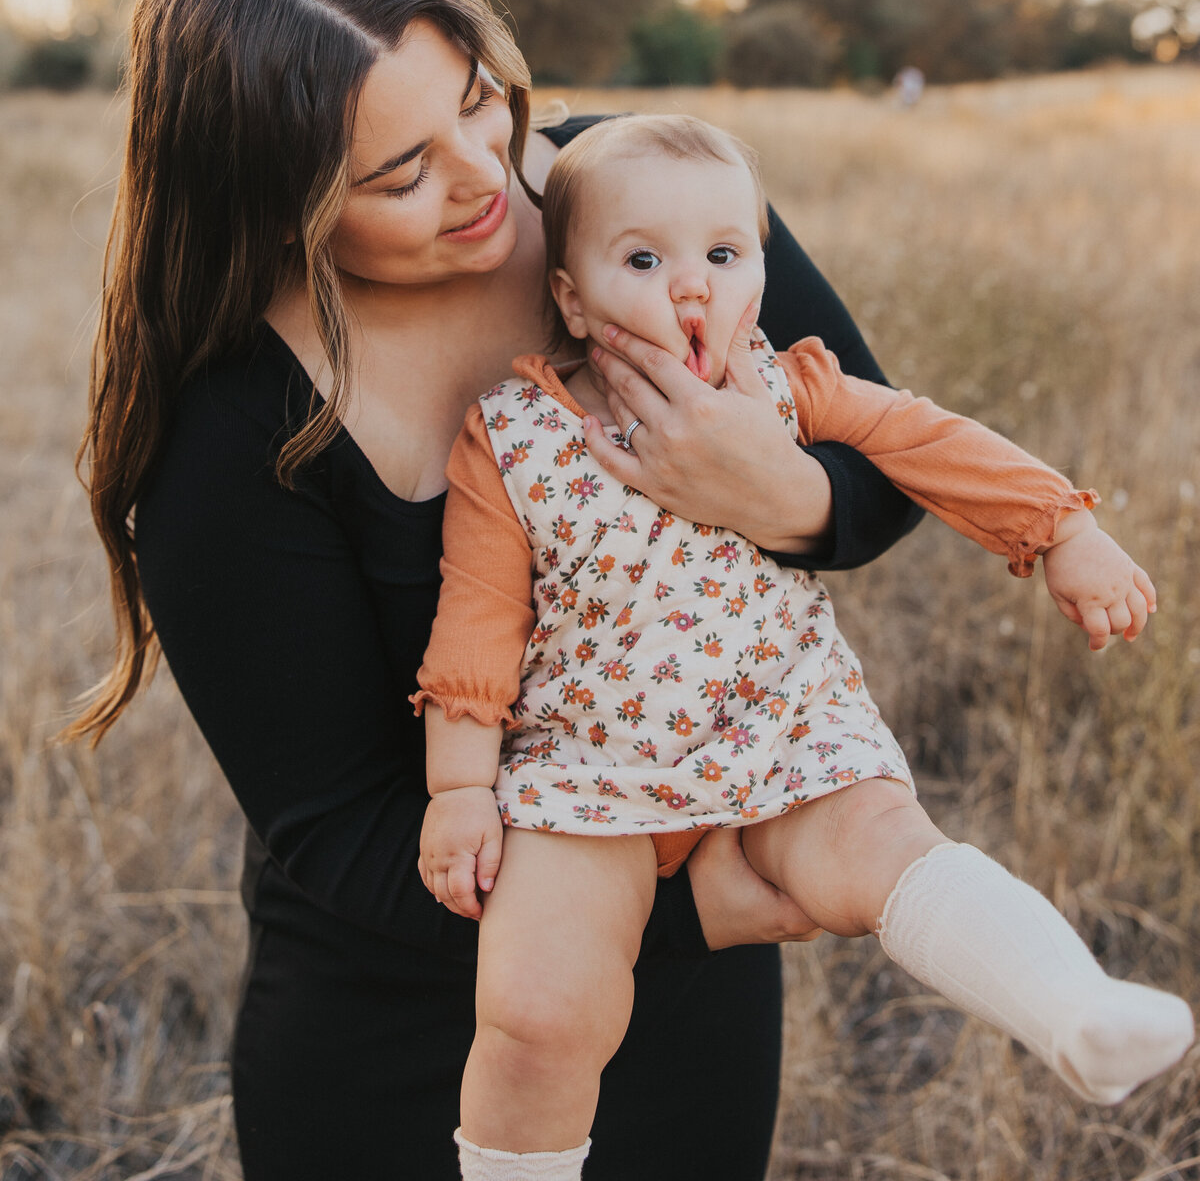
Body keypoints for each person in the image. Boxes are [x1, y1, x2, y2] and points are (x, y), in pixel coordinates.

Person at [69, 0, 933, 1181]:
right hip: (411, 1033)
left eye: (481, 103)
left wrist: (774, 495)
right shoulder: (227, 434)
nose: (486, 176)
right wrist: (690, 909)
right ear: (276, 204)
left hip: (691, 1032)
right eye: (400, 173)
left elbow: (883, 468)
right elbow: (342, 833)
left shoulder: (635, 197)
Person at [416, 114, 1193, 1181]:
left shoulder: (792, 386)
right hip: (587, 770)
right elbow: (477, 616)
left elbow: (929, 441)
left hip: (783, 736)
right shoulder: (513, 434)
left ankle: (1074, 1008)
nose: (692, 288)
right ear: (572, 296)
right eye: (643, 260)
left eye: (724, 257)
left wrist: (1061, 527)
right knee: (538, 1007)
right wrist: (459, 789)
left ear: (761, 273)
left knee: (887, 845)